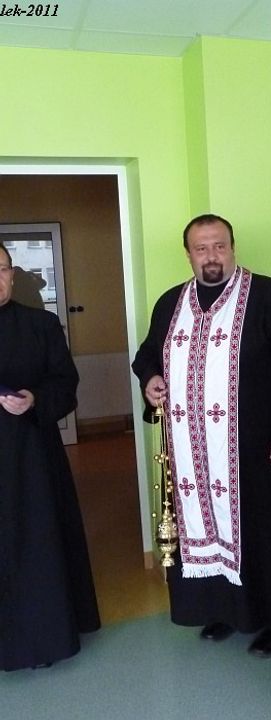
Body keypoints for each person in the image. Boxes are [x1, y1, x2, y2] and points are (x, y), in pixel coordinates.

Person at [132, 213, 271, 657]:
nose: (211, 256)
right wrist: (150, 380)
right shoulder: (171, 303)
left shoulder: (268, 296)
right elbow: (146, 355)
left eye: (219, 246)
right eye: (201, 248)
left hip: (255, 449)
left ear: (233, 247)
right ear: (188, 254)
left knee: (264, 534)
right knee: (202, 526)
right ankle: (220, 611)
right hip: (191, 453)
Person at [0, 242, 100, 672]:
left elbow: (65, 385)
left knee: (37, 548)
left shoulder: (40, 325)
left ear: (12, 274)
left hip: (32, 460)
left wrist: (35, 400)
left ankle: (43, 641)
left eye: (1, 269)